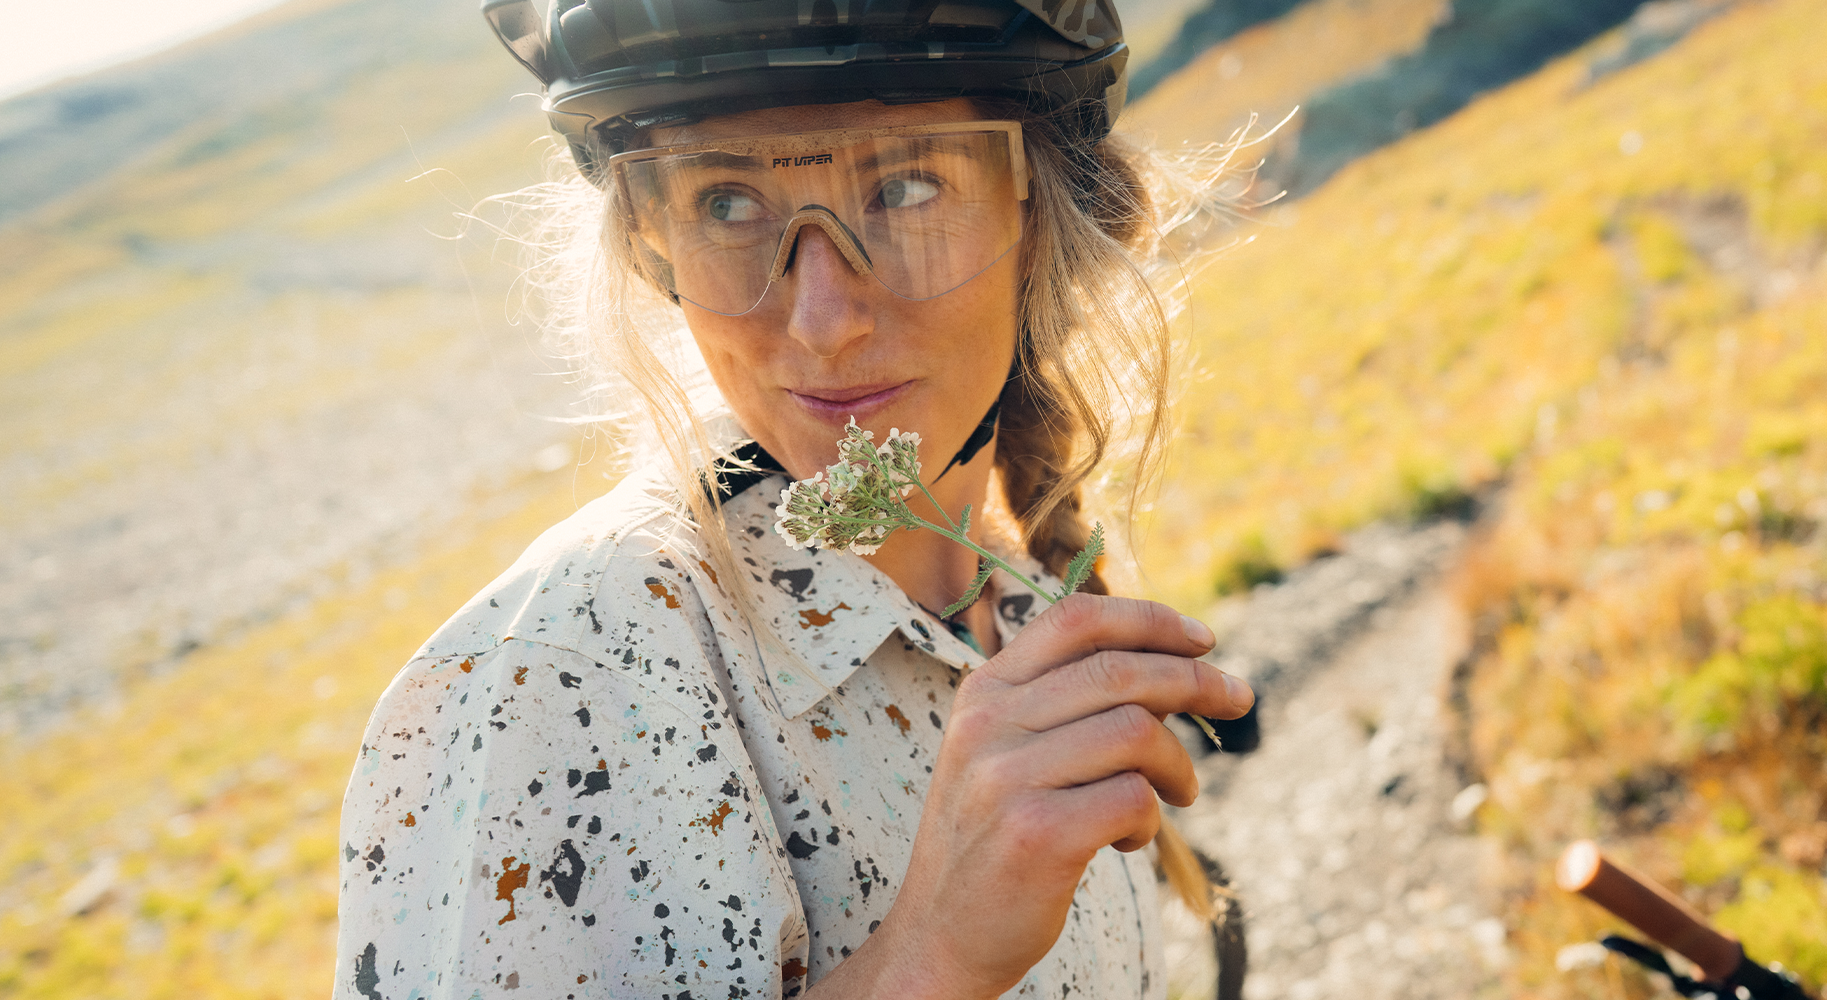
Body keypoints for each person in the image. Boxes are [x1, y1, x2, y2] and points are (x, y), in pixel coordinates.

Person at [331, 1, 1253, 997]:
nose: (821, 322)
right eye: (725, 203)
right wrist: (926, 958)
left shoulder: (1024, 594)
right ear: (653, 248)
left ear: (1040, 213)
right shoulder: (557, 679)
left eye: (905, 188)